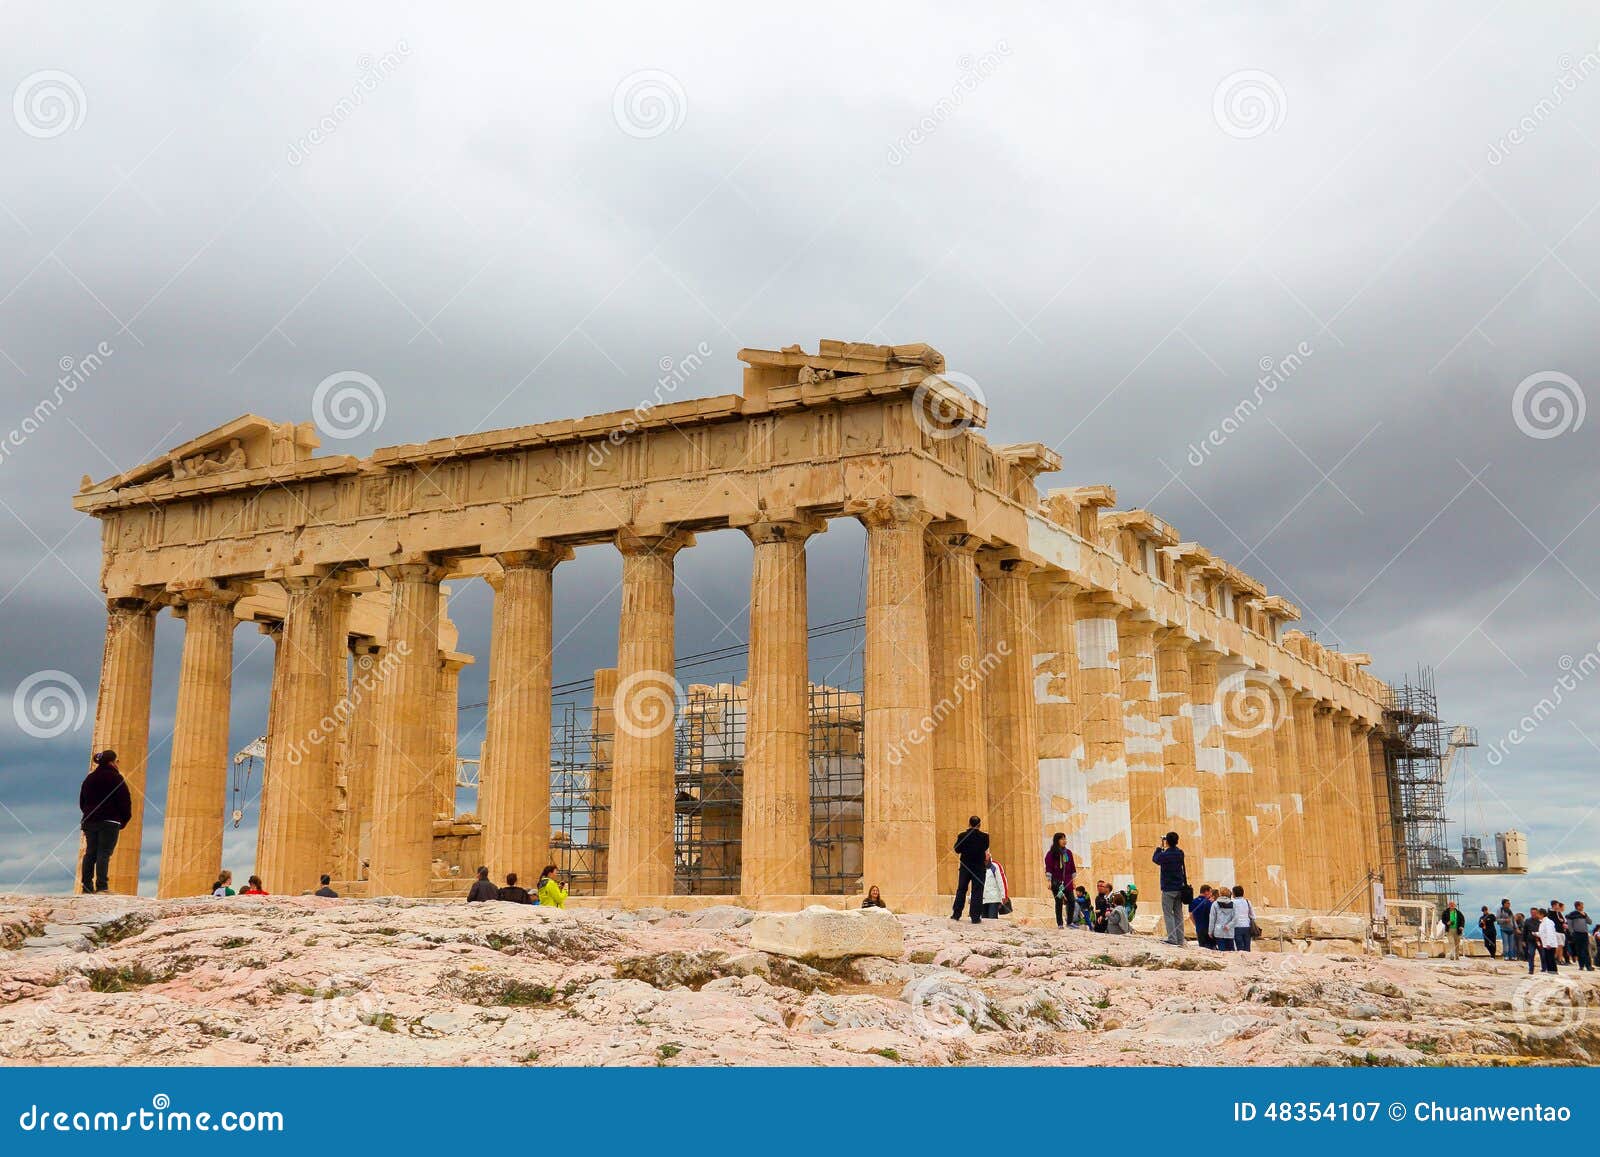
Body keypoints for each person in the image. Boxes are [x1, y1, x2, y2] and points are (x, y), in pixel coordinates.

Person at [78, 749, 132, 895]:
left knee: (90, 853)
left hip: (90, 820)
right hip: (109, 821)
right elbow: (125, 801)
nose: (117, 764)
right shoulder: (115, 778)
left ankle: (87, 887)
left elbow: (82, 802)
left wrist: (89, 814)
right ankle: (102, 886)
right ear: (111, 762)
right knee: (104, 852)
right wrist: (123, 820)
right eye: (116, 761)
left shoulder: (89, 779)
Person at [951, 816, 989, 925]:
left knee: (961, 889)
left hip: (965, 867)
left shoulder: (962, 836)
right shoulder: (985, 837)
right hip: (979, 868)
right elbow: (985, 847)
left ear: (969, 824)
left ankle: (956, 914)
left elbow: (957, 849)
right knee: (977, 891)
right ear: (979, 825)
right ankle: (975, 917)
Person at [1152, 831, 1188, 947]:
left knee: (1168, 913)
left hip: (1168, 888)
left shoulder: (1165, 855)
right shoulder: (1180, 853)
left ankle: (1172, 938)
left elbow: (1155, 859)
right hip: (1179, 887)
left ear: (1167, 841)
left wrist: (1160, 847)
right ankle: (1180, 939)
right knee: (1178, 914)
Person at [1044, 833, 1077, 928]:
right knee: (1058, 902)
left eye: (1065, 838)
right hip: (1057, 882)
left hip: (1067, 881)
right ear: (1057, 840)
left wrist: (1073, 881)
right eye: (1062, 839)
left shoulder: (1068, 853)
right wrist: (1049, 881)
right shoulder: (1051, 854)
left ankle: (1070, 922)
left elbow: (1072, 867)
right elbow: (1049, 868)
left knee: (1071, 900)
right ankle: (1060, 923)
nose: (1064, 841)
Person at [1566, 902, 1593, 971]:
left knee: (1586, 950)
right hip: (1577, 934)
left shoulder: (1584, 914)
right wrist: (1572, 933)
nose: (1583, 907)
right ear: (1578, 906)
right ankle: (1581, 966)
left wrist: (1585, 916)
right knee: (1579, 950)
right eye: (1582, 906)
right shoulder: (1572, 914)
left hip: (1584, 934)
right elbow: (1569, 925)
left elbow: (1590, 922)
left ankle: (1588, 966)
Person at [981, 852, 1009, 919]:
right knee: (983, 920)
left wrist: (1004, 895)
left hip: (994, 898)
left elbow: (1002, 881)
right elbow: (975, 884)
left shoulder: (996, 866)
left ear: (989, 857)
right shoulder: (979, 866)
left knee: (992, 920)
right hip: (983, 898)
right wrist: (971, 896)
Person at [1230, 885, 1255, 952]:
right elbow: (1253, 915)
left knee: (1239, 948)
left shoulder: (1232, 902)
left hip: (1237, 927)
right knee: (1247, 948)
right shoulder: (1247, 901)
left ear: (1234, 893)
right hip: (1247, 927)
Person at [1190, 885, 1216, 950]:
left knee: (1202, 949)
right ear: (1206, 892)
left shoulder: (1193, 901)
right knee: (1211, 949)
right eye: (1210, 892)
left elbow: (1191, 915)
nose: (1211, 894)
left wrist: (1196, 924)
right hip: (1208, 929)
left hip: (1199, 929)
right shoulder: (1209, 902)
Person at [1536, 907, 1561, 973]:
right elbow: (1542, 933)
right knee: (1547, 957)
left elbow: (1550, 933)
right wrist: (1536, 934)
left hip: (1550, 943)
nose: (1537, 916)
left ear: (1542, 914)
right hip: (1545, 943)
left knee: (1550, 958)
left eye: (1538, 914)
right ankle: (1550, 970)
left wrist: (1549, 943)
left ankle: (1553, 970)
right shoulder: (1542, 922)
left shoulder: (1548, 922)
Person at [1497, 899, 1517, 965]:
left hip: (1511, 929)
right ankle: (1506, 956)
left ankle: (1511, 956)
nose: (1509, 904)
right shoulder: (1500, 910)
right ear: (1504, 904)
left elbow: (1513, 920)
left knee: (1512, 944)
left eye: (1509, 903)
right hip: (1504, 929)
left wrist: (1516, 927)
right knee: (1505, 944)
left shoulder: (1510, 911)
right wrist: (1505, 920)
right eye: (1508, 903)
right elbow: (1497, 919)